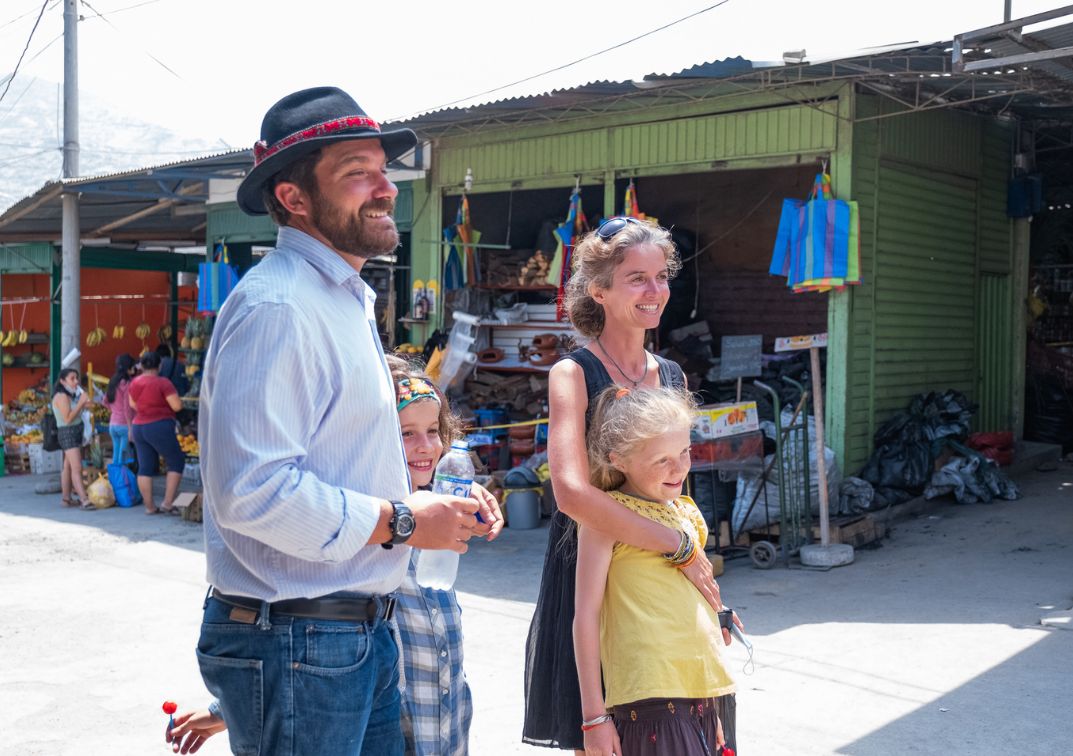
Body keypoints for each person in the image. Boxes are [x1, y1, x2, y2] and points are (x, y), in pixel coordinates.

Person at [195, 86, 493, 756]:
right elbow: (254, 491)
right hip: (298, 640)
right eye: (355, 173)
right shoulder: (279, 306)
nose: (384, 188)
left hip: (351, 633)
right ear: (293, 198)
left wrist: (436, 500)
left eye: (383, 170)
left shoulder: (341, 302)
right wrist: (408, 521)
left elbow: (345, 460)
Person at [168, 355, 502, 756]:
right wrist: (224, 711)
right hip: (391, 726)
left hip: (446, 729)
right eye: (407, 433)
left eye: (433, 430)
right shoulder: (366, 526)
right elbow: (311, 643)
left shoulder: (441, 517)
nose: (426, 446)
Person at [522, 217, 741, 752]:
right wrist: (678, 546)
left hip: (659, 582)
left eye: (661, 276)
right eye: (637, 278)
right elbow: (572, 494)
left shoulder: (671, 375)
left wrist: (706, 594)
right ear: (599, 290)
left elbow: (675, 492)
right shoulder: (573, 374)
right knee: (600, 734)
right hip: (591, 572)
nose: (656, 291)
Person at [575, 386, 736, 756]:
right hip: (649, 698)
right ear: (619, 460)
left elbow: (697, 585)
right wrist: (593, 718)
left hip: (700, 692)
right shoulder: (605, 518)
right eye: (662, 459)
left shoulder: (684, 511)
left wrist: (718, 616)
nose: (679, 468)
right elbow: (585, 616)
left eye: (685, 452)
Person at [129, 351, 185, 514]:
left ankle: (150, 507)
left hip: (139, 426)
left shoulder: (135, 382)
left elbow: (133, 404)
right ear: (159, 365)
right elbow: (177, 406)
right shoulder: (163, 383)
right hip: (159, 425)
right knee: (176, 461)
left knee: (145, 466)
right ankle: (168, 503)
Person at [51, 368, 91, 509]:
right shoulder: (61, 396)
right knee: (77, 467)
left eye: (77, 378)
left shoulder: (70, 395)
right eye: (72, 378)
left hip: (75, 432)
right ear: (62, 381)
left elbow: (75, 412)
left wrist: (83, 403)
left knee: (67, 467)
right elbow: (67, 418)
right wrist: (80, 403)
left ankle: (66, 499)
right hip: (68, 433)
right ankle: (84, 499)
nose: (76, 381)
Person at [103, 353, 137, 465]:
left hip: (113, 424)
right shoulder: (127, 384)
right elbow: (127, 408)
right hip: (124, 425)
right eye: (133, 366)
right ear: (128, 368)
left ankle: (115, 480)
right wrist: (130, 427)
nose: (135, 368)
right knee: (122, 458)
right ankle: (122, 481)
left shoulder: (113, 381)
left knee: (116, 456)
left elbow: (105, 401)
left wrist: (114, 411)